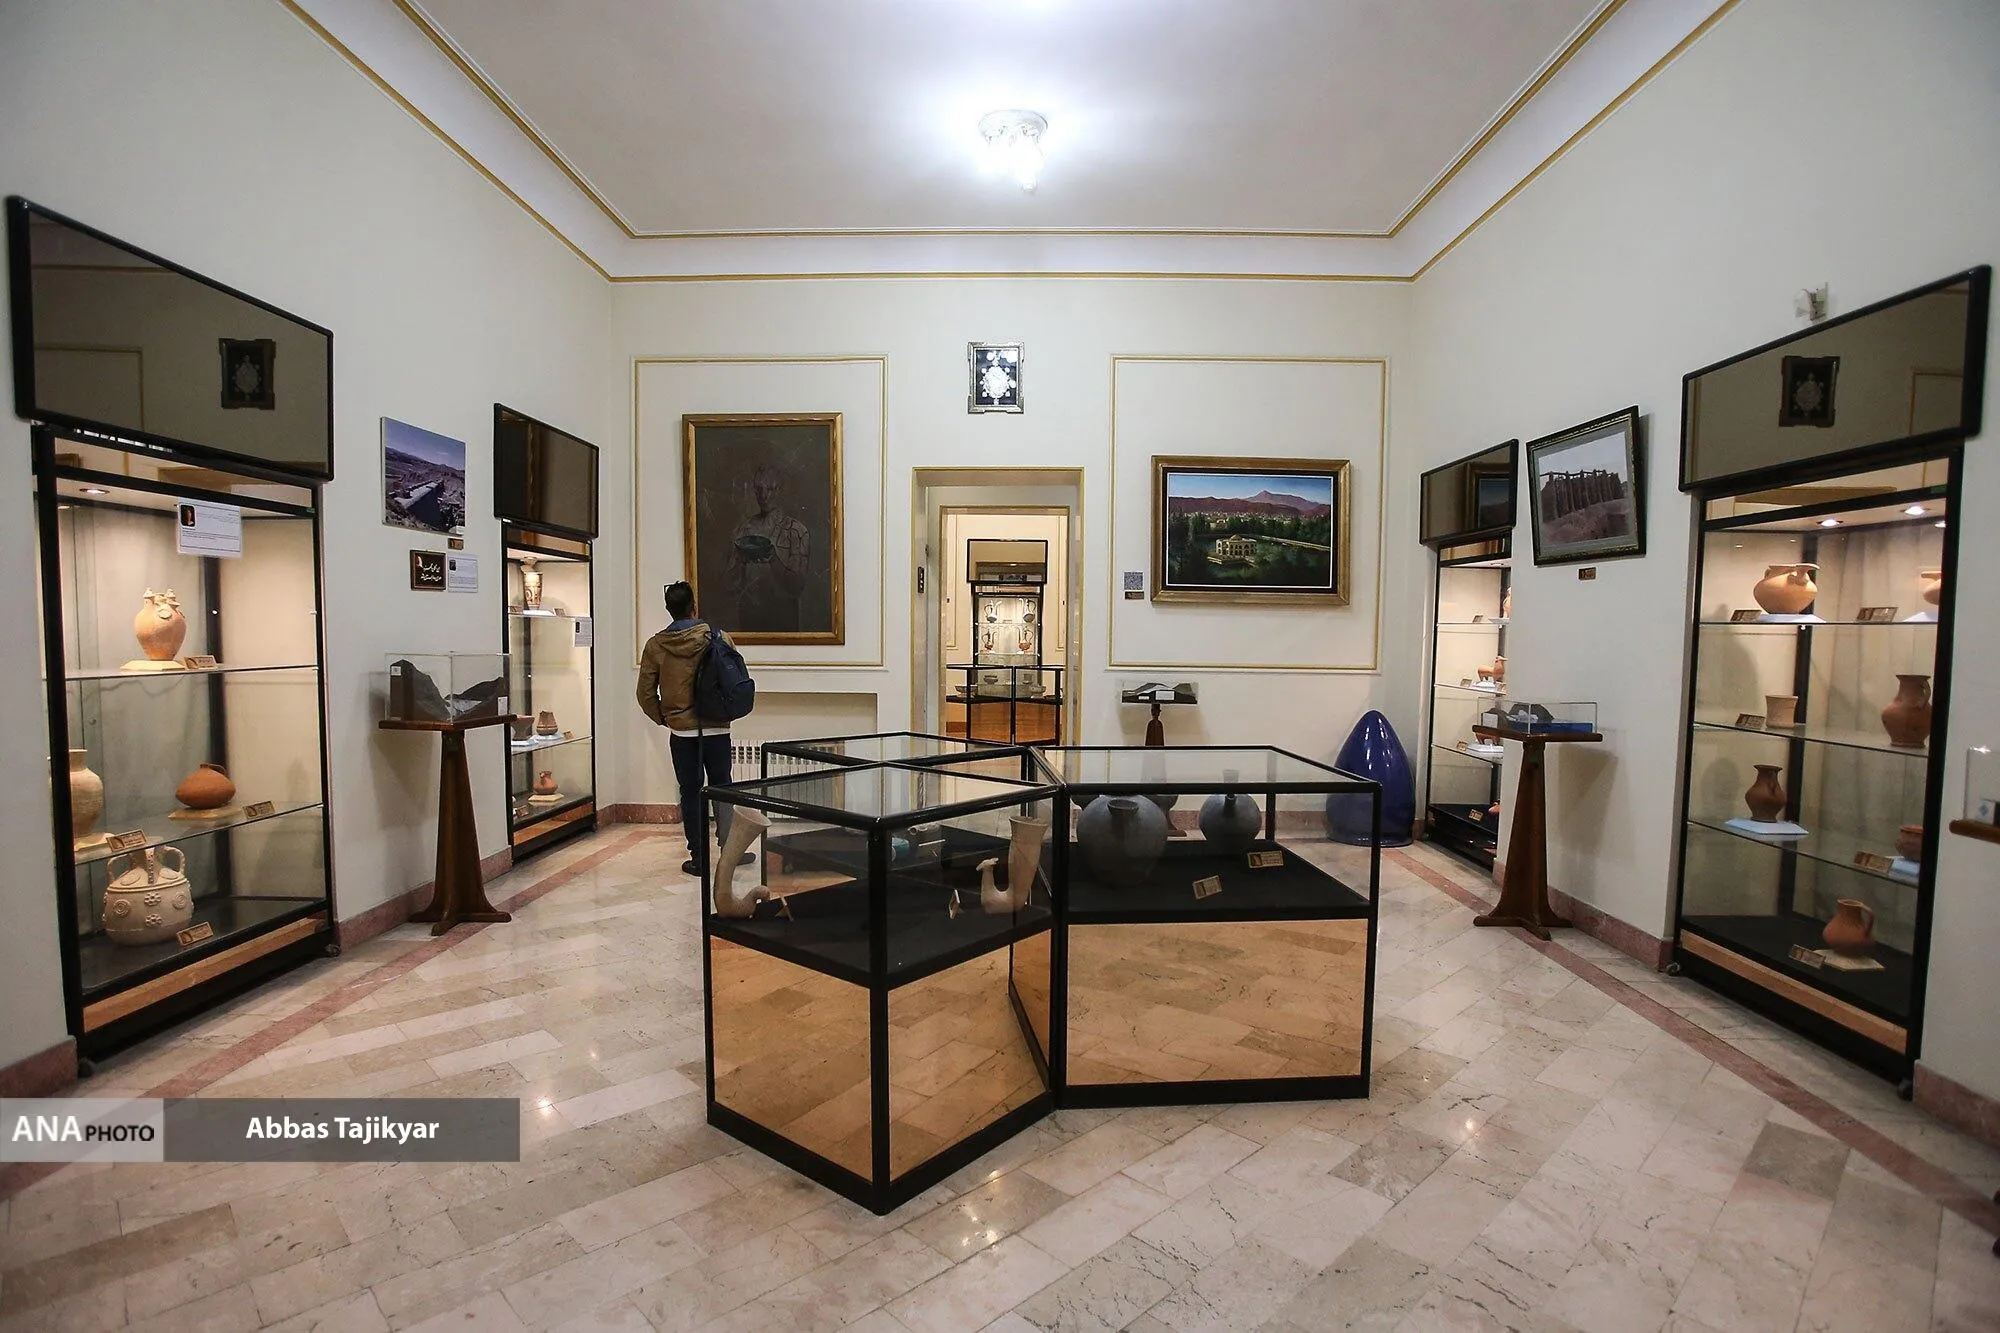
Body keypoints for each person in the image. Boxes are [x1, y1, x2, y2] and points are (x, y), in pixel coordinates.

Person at [637, 581, 752, 877]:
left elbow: (645, 694)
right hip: (717, 729)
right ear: (694, 607)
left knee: (690, 792)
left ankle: (699, 858)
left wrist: (665, 718)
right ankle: (730, 852)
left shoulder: (656, 646)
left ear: (669, 609)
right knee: (723, 788)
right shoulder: (718, 637)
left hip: (682, 734)